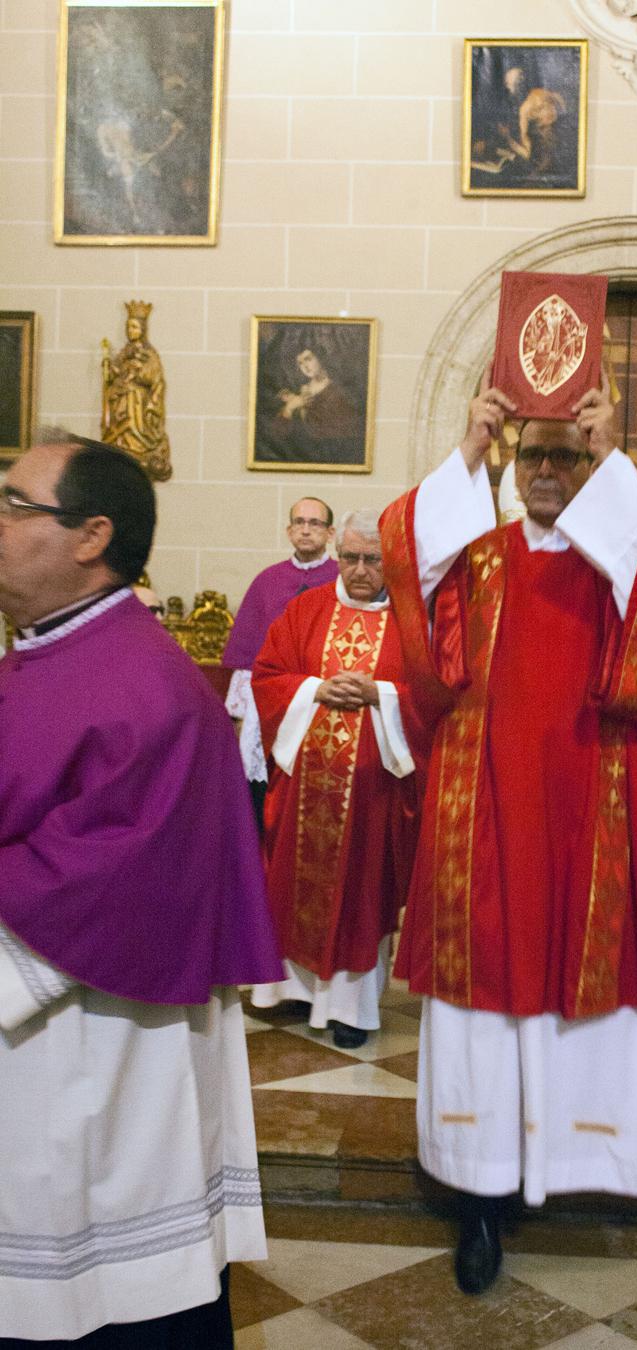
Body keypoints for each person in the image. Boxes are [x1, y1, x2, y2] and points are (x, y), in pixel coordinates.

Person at [380, 373, 637, 1295]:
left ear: (588, 466)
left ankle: (581, 1158)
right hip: (480, 799)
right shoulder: (477, 554)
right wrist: (470, 448)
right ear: (515, 466)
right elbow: (406, 562)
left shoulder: (614, 558)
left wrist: (612, 454)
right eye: (534, 455)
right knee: (484, 980)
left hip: (592, 795)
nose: (548, 471)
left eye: (566, 455)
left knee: (586, 973)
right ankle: (480, 1189)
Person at [0, 433, 282, 1345]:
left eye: (14, 504)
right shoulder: (48, 652)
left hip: (98, 1049)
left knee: (98, 1300)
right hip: (57, 1052)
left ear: (91, 536)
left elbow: (101, 883)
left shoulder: (147, 688)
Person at [250, 509, 421, 1050]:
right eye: (350, 557)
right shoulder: (306, 609)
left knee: (360, 895)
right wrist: (315, 690)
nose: (360, 570)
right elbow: (268, 674)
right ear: (337, 555)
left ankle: (350, 1008)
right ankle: (292, 992)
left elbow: (434, 696)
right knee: (292, 881)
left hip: (374, 793)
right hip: (305, 785)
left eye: (372, 559)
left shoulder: (413, 620)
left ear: (392, 563)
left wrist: (380, 694)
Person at [222, 497, 338, 828]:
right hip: (271, 701)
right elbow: (248, 656)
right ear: (289, 531)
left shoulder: (343, 579)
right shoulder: (267, 581)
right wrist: (240, 714)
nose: (306, 530)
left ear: (330, 533)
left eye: (315, 523)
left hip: (324, 701)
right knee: (267, 793)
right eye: (299, 522)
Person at [100, 299, 172, 482]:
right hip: (121, 397)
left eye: (134, 327)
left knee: (134, 422)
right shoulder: (124, 352)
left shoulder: (150, 354)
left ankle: (138, 447)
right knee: (121, 426)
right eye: (128, 327)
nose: (130, 331)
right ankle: (122, 446)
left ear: (142, 329)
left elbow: (155, 378)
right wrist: (109, 367)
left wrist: (137, 372)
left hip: (137, 399)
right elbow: (115, 374)